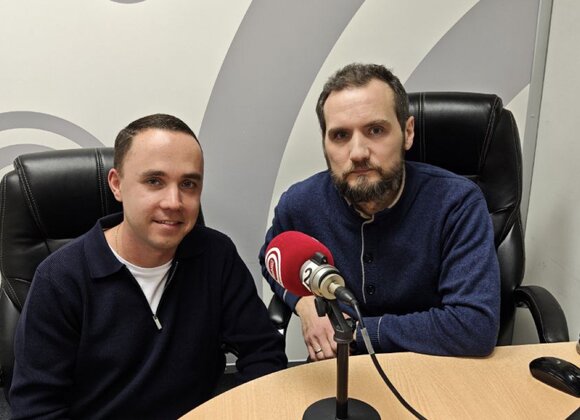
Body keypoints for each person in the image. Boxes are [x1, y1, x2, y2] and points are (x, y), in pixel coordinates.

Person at [10, 114, 287, 419]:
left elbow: (263, 352)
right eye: (154, 181)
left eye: (188, 184)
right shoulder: (60, 279)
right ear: (117, 184)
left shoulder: (215, 255)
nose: (174, 202)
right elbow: (37, 410)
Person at [259, 63, 500, 361]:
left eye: (375, 130)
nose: (358, 152)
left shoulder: (457, 203)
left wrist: (356, 332)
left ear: (407, 132)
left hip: (433, 364)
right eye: (340, 135)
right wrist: (303, 302)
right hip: (339, 369)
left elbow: (473, 327)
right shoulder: (300, 203)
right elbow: (270, 257)